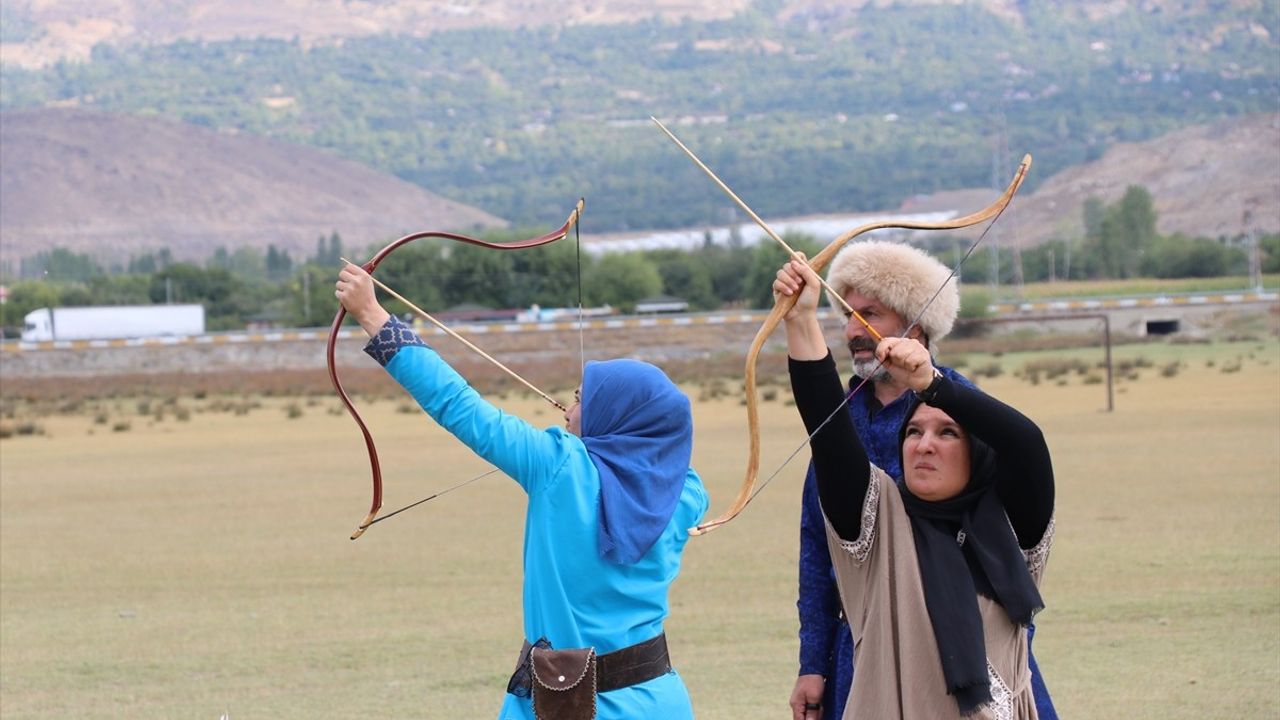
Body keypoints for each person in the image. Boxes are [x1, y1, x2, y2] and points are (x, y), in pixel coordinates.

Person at [336, 262, 708, 720]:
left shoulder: (559, 465)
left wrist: (373, 315)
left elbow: (460, 406)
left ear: (611, 416)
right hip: (659, 701)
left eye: (579, 399)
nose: (567, 409)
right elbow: (664, 449)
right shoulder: (686, 495)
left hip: (570, 706)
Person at [783, 242, 1057, 720]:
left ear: (915, 322)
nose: (852, 330)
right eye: (913, 433)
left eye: (869, 314)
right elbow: (818, 546)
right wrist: (813, 661)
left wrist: (930, 385)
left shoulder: (970, 416)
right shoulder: (847, 439)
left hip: (983, 659)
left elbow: (1026, 447)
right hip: (871, 643)